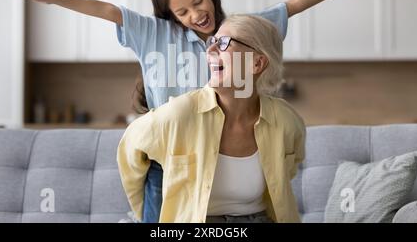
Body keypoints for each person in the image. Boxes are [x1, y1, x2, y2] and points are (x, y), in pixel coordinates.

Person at [11, 0, 382, 222]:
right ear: (171, 16)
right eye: (182, 12)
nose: (195, 15)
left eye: (198, 2)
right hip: (169, 157)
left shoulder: (237, 33)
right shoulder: (155, 34)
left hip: (220, 152)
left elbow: (294, 4)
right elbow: (108, 10)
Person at [117, 14, 305, 223]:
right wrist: (146, 215)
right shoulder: (180, 114)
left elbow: (289, 169)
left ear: (257, 63)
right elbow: (130, 152)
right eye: (213, 41)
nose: (210, 50)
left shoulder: (285, 120)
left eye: (224, 43)